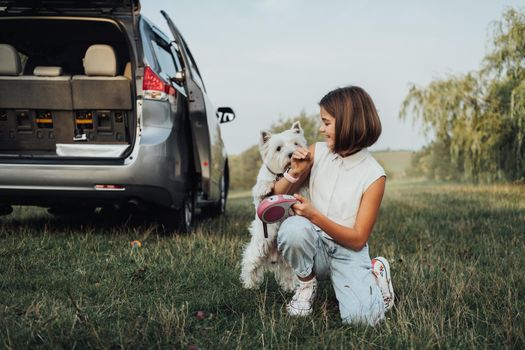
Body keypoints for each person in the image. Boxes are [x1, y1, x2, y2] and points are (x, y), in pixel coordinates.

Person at [272, 86, 394, 325]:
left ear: (348, 124)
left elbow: (358, 239)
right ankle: (306, 284)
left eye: (326, 123)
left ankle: (376, 272)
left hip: (348, 251)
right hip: (313, 245)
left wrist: (314, 216)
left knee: (362, 320)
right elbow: (275, 198)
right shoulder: (317, 153)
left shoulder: (374, 176)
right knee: (293, 228)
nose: (320, 129)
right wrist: (295, 173)